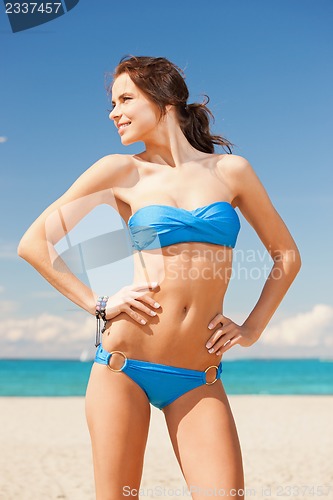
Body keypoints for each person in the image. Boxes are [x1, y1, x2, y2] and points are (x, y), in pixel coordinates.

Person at [17, 55, 301, 499]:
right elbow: (33, 243)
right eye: (112, 103)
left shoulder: (232, 172)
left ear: (165, 100)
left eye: (125, 98)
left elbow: (286, 255)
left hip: (198, 375)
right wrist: (99, 303)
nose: (114, 112)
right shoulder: (120, 170)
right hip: (123, 367)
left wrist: (252, 328)